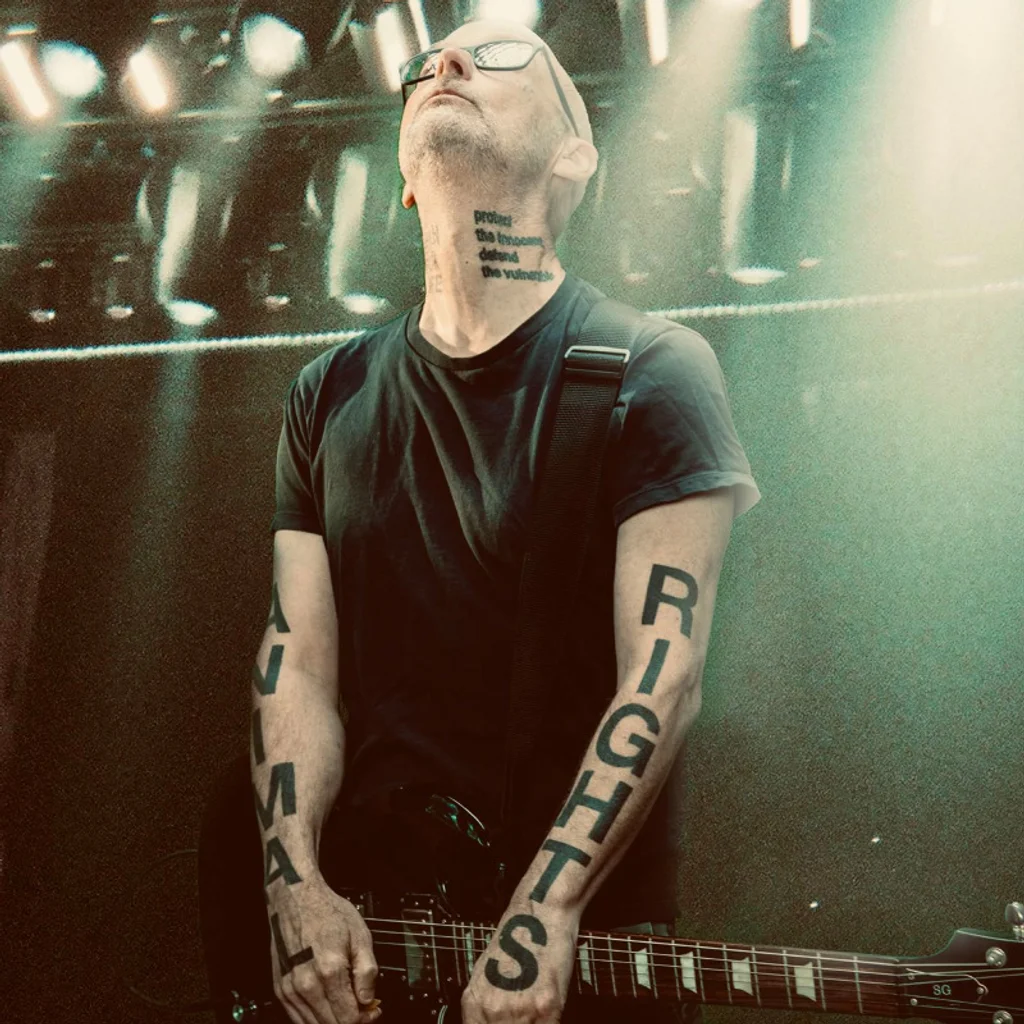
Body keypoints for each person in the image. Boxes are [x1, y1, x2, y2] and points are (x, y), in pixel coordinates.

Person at [209, 16, 762, 1024]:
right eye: (426, 64)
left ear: (573, 155)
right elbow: (298, 666)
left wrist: (547, 908)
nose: (446, 62)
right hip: (375, 952)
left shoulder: (650, 371)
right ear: (405, 179)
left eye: (502, 56)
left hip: (579, 967)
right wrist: (295, 885)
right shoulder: (329, 392)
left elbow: (662, 676)